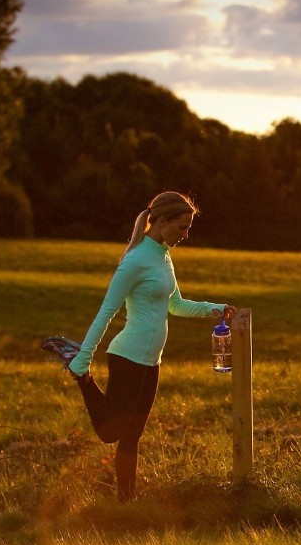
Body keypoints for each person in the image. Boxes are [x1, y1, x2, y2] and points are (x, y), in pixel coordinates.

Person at [41, 191, 235, 502]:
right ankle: (77, 366)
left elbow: (176, 305)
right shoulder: (135, 261)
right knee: (110, 432)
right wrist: (85, 359)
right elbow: (107, 311)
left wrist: (215, 308)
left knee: (132, 437)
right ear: (160, 221)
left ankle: (126, 502)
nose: (185, 235)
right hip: (127, 355)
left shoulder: (163, 256)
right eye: (181, 227)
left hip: (152, 360)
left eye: (188, 228)